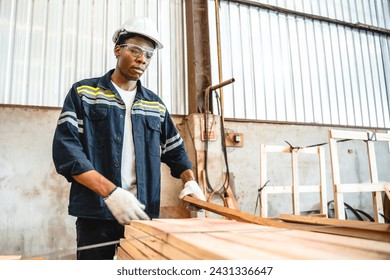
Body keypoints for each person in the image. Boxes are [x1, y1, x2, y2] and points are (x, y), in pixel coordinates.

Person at [52, 16, 205, 260]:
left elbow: (175, 151)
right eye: (135, 50)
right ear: (117, 50)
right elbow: (67, 153)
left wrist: (190, 180)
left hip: (141, 213)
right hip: (96, 213)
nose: (142, 59)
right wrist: (110, 192)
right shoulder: (84, 93)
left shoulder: (154, 105)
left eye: (148, 54)